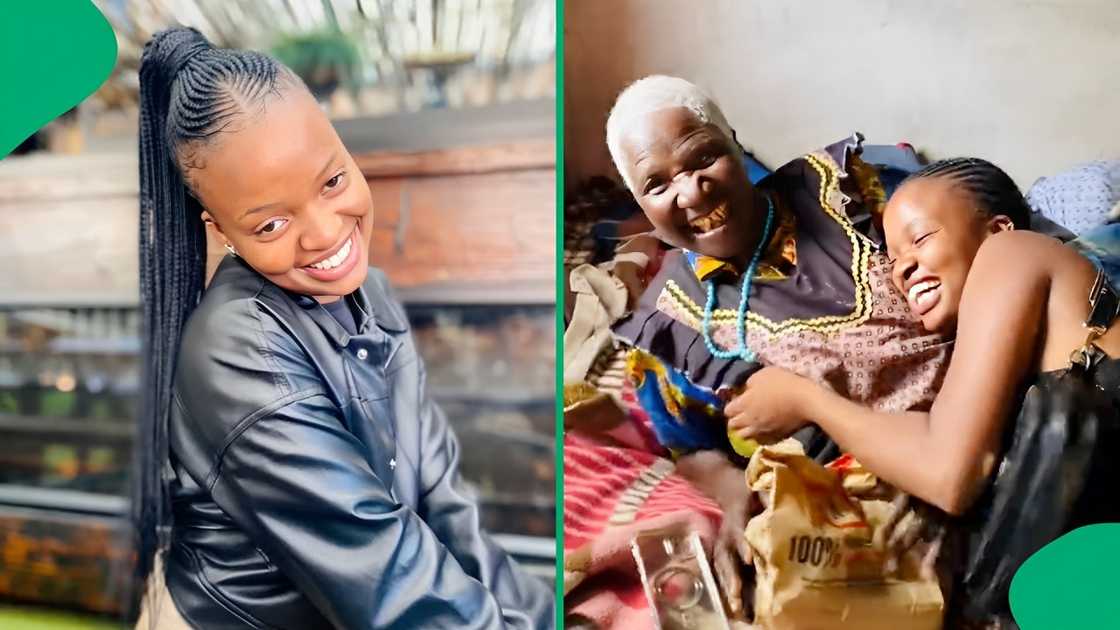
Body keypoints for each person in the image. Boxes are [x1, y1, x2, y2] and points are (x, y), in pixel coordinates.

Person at [133, 26, 553, 629]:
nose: (327, 234)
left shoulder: (370, 292)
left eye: (332, 182)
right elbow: (388, 578)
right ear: (220, 230)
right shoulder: (237, 351)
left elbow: (442, 505)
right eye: (271, 225)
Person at [564, 75, 953, 620]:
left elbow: (967, 238)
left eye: (704, 158)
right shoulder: (664, 330)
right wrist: (729, 497)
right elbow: (694, 450)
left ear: (733, 142)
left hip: (973, 420)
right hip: (860, 502)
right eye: (657, 185)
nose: (693, 191)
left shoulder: (850, 187)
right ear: (638, 202)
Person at [727, 157, 1120, 619]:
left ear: (997, 228)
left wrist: (804, 398)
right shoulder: (999, 356)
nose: (903, 268)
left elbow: (947, 473)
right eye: (893, 259)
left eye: (921, 238)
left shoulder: (1011, 251)